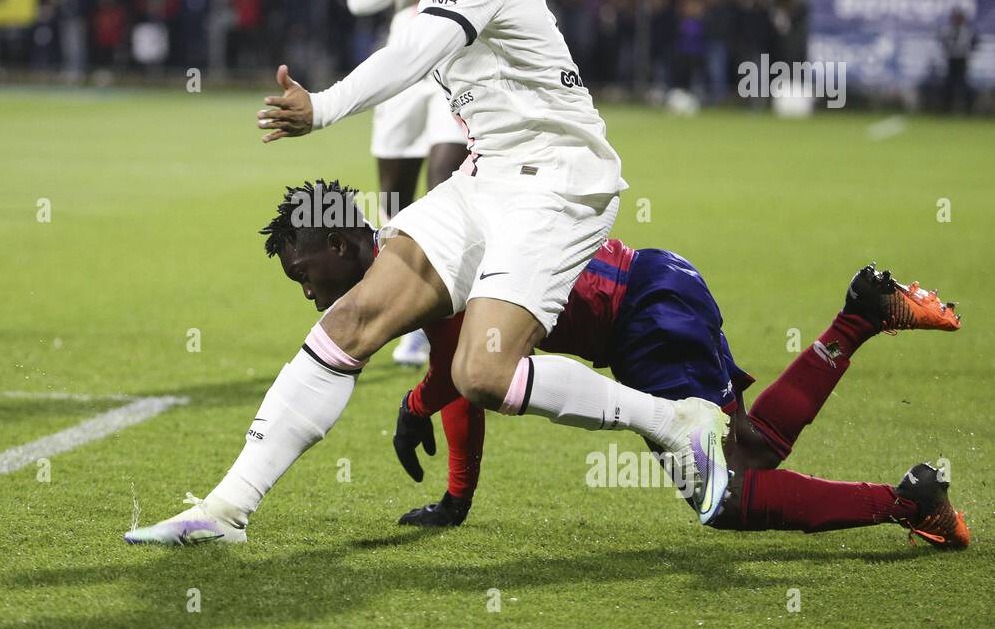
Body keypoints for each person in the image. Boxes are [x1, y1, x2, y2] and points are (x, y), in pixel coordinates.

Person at [125, 0, 731, 547]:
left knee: (482, 373)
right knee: (349, 321)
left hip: (560, 183)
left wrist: (321, 108)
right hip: (491, 176)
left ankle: (674, 420)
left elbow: (411, 55)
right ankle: (224, 509)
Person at [258, 179, 967, 549]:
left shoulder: (416, 266)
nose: (310, 293)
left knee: (724, 497)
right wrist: (450, 485)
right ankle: (860, 316)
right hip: (655, 288)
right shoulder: (418, 243)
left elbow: (462, 379)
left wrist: (423, 424)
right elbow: (464, 379)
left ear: (348, 243)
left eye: (306, 274)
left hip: (641, 316)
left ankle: (908, 502)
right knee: (748, 450)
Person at [347, 0, 537, 367]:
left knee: (448, 176)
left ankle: (436, 318)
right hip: (404, 59)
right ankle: (396, 303)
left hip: (467, 61)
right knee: (392, 189)